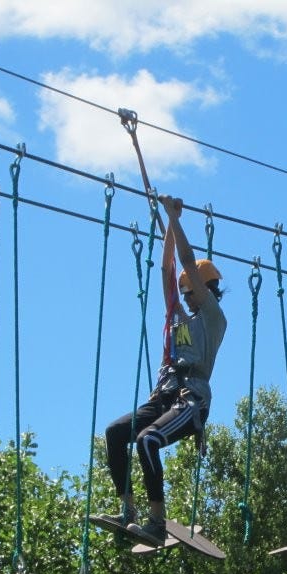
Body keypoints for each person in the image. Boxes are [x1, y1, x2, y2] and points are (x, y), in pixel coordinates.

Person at [101, 195, 227, 547]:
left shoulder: (214, 319)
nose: (185, 298)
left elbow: (186, 260)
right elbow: (168, 268)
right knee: (115, 433)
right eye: (184, 293)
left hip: (192, 402)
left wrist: (175, 219)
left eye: (191, 292)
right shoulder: (176, 314)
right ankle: (129, 511)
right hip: (164, 398)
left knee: (148, 441)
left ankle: (157, 522)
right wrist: (167, 223)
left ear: (205, 290)